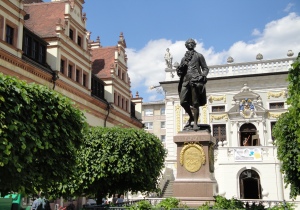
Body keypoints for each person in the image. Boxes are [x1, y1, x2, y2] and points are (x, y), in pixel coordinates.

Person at [176, 38, 209, 131]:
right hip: (185, 81)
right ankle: (191, 116)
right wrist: (179, 69)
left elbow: (205, 68)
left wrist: (203, 75)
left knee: (195, 103)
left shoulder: (199, 56)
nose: (190, 44)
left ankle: (195, 123)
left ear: (194, 45)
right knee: (182, 102)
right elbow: (180, 73)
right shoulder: (183, 59)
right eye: (188, 43)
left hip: (195, 80)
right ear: (186, 45)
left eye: (192, 43)